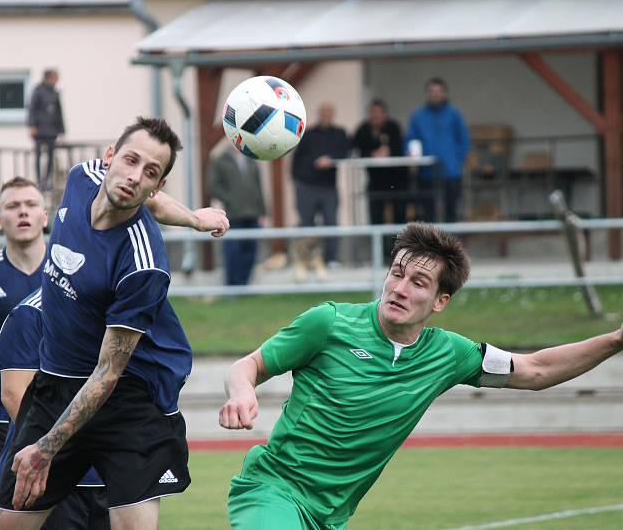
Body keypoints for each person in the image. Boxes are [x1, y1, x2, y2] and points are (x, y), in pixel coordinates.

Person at [219, 222, 623, 530]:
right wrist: (241, 393)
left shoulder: (448, 353)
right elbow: (247, 366)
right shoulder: (329, 322)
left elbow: (536, 370)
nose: (400, 288)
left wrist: (616, 339)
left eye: (419, 282)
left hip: (330, 517)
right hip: (272, 492)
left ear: (440, 300)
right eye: (397, 273)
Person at [0, 177, 228, 530]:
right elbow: (14, 392)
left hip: (106, 431)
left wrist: (193, 219)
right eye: (13, 206)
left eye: (31, 205)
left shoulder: (136, 279)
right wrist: (53, 445)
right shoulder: (26, 312)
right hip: (47, 437)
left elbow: (148, 199)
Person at [0, 288, 110, 530]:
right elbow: (15, 394)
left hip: (107, 473)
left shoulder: (112, 311)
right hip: (49, 474)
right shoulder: (30, 314)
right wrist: (61, 452)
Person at [291, 102, 351, 267]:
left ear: (333, 114)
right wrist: (298, 182)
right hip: (307, 185)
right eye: (323, 112)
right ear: (319, 114)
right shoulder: (308, 134)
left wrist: (330, 160)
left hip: (328, 187)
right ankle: (307, 259)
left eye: (329, 112)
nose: (326, 115)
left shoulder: (340, 133)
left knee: (331, 222)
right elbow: (297, 159)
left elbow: (346, 152)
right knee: (306, 224)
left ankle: (331, 259)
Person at [407, 77, 471, 222]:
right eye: (431, 91)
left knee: (451, 213)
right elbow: (411, 139)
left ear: (444, 94)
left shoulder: (454, 114)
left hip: (451, 173)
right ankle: (431, 245)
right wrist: (411, 152)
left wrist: (456, 160)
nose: (435, 94)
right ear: (426, 94)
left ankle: (450, 244)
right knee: (428, 215)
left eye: (438, 91)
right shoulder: (418, 116)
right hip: (426, 173)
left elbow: (464, 140)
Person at [353, 98, 409, 260]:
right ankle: (379, 255)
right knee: (375, 217)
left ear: (384, 114)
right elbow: (356, 149)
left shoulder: (393, 127)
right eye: (372, 113)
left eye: (378, 113)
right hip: (375, 182)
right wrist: (371, 154)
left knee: (399, 217)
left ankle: (399, 254)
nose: (375, 116)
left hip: (397, 181)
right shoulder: (363, 129)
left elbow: (401, 148)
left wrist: (389, 152)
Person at [208, 148, 266, 286]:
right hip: (233, 215)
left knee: (250, 251)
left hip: (253, 213)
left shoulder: (251, 158)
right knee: (233, 251)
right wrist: (230, 199)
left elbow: (258, 187)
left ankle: (244, 286)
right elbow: (212, 185)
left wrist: (263, 212)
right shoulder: (220, 160)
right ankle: (233, 286)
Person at [28, 69, 65, 189]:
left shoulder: (55, 92)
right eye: (55, 77)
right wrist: (32, 125)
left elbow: (59, 112)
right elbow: (32, 108)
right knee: (38, 155)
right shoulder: (38, 91)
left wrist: (61, 130)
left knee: (50, 155)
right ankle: (39, 180)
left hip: (51, 129)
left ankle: (47, 180)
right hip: (39, 129)